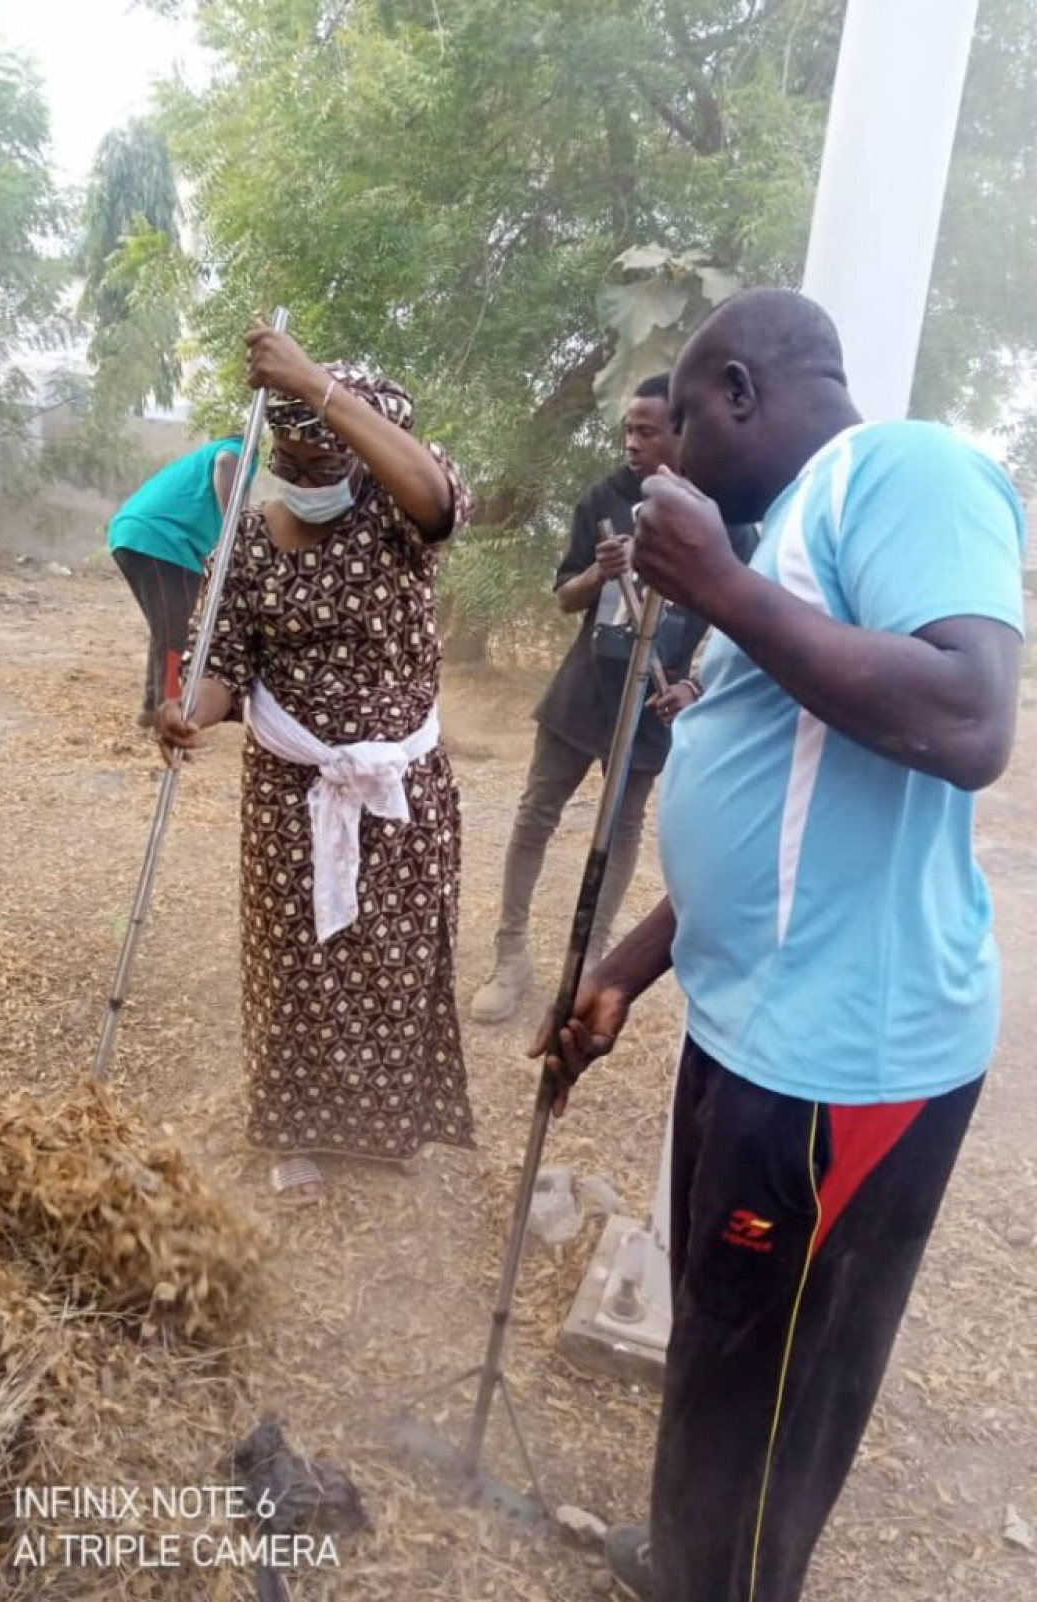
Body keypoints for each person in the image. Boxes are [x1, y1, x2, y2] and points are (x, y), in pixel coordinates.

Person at [535, 289, 1026, 1602]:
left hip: (840, 1063)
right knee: (727, 1336)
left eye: (685, 419)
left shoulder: (905, 467)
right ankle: (693, 1560)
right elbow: (784, 801)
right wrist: (632, 966)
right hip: (754, 1031)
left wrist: (728, 589)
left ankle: (726, 1578)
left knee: (775, 1382)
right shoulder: (801, 534)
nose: (672, 455)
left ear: (743, 391)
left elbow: (975, 717)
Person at [155, 324, 475, 1204]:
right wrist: (191, 714)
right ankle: (294, 1131)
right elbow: (224, 664)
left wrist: (316, 383)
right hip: (291, 790)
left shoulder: (402, 515)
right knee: (297, 958)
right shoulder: (248, 544)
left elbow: (440, 504)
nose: (309, 473)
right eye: (292, 454)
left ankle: (382, 1124)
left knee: (392, 954)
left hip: (399, 784)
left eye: (329, 454)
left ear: (364, 450)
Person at [471, 375, 757, 1024]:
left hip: (655, 704)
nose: (631, 442)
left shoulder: (727, 519)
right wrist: (598, 572)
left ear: (681, 435)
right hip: (582, 694)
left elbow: (741, 623)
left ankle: (590, 964)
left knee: (623, 827)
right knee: (535, 816)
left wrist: (694, 686)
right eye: (627, 429)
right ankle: (509, 958)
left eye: (647, 431)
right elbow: (565, 595)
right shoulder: (604, 496)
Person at [108, 437, 245, 725]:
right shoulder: (241, 448)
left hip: (140, 536)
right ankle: (168, 720)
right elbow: (226, 461)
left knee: (168, 631)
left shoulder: (203, 458)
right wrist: (237, 526)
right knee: (177, 636)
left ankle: (152, 712)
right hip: (161, 541)